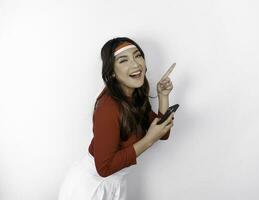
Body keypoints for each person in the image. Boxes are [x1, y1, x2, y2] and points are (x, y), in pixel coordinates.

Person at [58, 37, 176, 200]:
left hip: (115, 183)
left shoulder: (135, 95)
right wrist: (149, 140)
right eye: (123, 60)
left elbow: (162, 134)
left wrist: (163, 96)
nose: (135, 64)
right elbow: (104, 168)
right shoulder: (108, 107)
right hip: (91, 188)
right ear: (112, 72)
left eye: (137, 56)